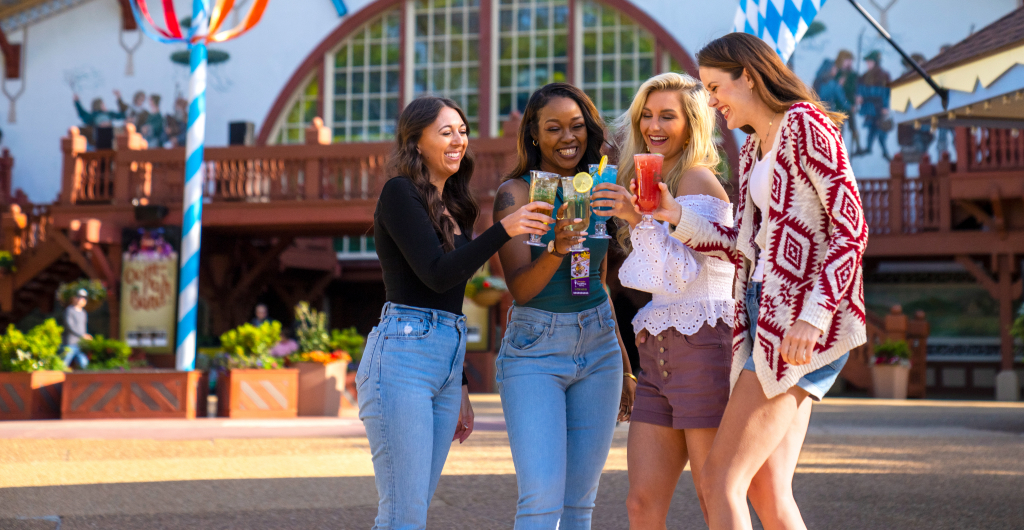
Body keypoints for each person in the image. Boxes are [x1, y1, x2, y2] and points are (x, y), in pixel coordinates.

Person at [640, 33, 867, 529]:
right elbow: (742, 245)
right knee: (766, 488)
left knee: (722, 478)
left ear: (749, 76)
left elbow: (851, 229)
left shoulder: (805, 126)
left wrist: (813, 316)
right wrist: (675, 213)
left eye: (716, 86)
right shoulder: (755, 146)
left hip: (798, 320)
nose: (713, 101)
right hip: (764, 314)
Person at [357, 96, 552, 530]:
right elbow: (437, 275)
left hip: (443, 358)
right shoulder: (399, 193)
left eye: (462, 131)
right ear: (417, 141)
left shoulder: (457, 206)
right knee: (401, 515)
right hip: (401, 358)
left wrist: (458, 381)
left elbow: (449, 301)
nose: (458, 140)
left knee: (413, 511)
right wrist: (505, 230)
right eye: (445, 132)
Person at [492, 82, 634, 529]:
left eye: (576, 126)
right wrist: (555, 249)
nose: (567, 137)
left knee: (579, 504)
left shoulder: (598, 189)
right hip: (535, 347)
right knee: (540, 500)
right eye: (553, 128)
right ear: (533, 134)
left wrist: (625, 363)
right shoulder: (515, 194)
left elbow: (597, 285)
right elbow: (521, 290)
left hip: (600, 349)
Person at [597, 72, 735, 528]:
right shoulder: (653, 182)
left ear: (692, 123)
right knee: (641, 503)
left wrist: (637, 217)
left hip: (702, 348)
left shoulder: (697, 180)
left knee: (712, 491)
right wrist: (634, 213)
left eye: (667, 116)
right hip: (657, 353)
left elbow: (676, 275)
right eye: (647, 115)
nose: (654, 126)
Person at [855, 50, 892, 160]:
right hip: (869, 108)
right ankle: (869, 148)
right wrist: (859, 97)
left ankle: (885, 152)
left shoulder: (884, 76)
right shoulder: (864, 76)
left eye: (870, 62)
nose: (868, 64)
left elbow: (886, 93)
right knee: (871, 128)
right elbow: (860, 90)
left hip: (879, 108)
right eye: (867, 62)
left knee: (881, 130)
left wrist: (885, 107)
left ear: (875, 62)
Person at [833, 50, 862, 153]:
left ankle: (858, 147)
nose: (849, 62)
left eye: (850, 60)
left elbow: (855, 88)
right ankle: (838, 148)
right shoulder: (838, 74)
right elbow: (835, 89)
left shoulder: (853, 75)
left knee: (853, 127)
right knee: (840, 128)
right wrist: (839, 84)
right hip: (840, 105)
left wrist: (857, 97)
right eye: (847, 60)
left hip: (850, 104)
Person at [62, 289, 93, 369]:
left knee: (84, 363)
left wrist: (85, 337)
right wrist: (83, 335)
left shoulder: (83, 313)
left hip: (80, 344)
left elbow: (83, 328)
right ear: (74, 298)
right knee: (63, 363)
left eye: (84, 298)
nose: (82, 300)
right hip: (70, 343)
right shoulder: (69, 310)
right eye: (79, 297)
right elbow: (70, 326)